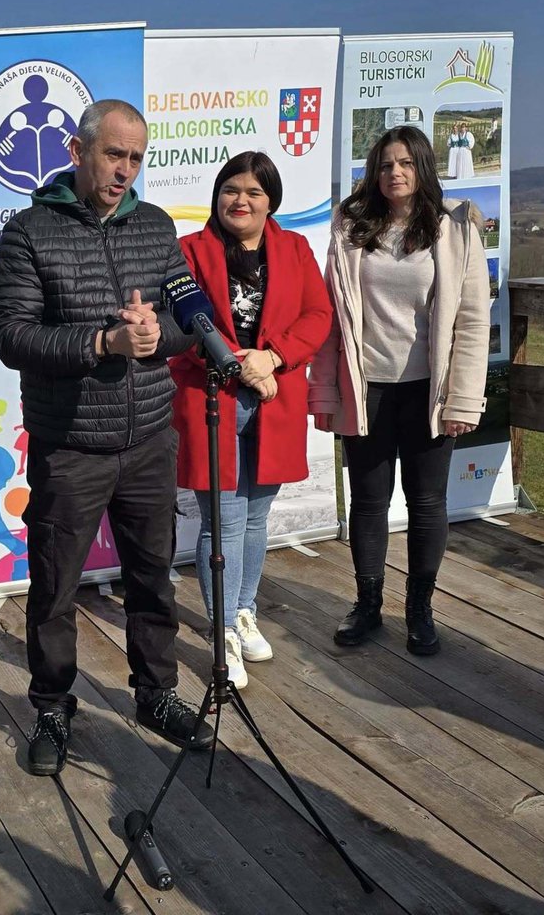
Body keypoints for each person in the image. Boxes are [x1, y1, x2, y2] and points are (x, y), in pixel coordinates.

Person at [0, 99, 213, 777]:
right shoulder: (29, 231)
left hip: (149, 438)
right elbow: (13, 336)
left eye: (137, 158)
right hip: (71, 445)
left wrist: (154, 337)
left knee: (153, 578)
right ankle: (53, 706)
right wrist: (101, 341)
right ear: (76, 150)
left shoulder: (154, 226)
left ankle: (157, 695)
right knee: (55, 589)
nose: (126, 170)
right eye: (114, 155)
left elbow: (186, 313)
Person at [309, 126, 489, 656]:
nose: (395, 173)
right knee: (368, 502)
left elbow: (474, 321)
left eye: (406, 163)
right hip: (366, 389)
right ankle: (367, 606)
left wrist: (462, 399)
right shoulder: (350, 226)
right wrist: (324, 395)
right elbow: (329, 318)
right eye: (386, 164)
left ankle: (420, 611)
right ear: (374, 171)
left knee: (428, 502)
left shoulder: (454, 228)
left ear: (423, 167)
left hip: (428, 391)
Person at [169, 153, 331, 688]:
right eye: (231, 190)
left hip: (274, 401)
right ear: (217, 196)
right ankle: (222, 637)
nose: (241, 200)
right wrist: (238, 365)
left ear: (271, 202)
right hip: (213, 399)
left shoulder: (295, 248)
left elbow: (317, 316)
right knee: (224, 522)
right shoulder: (188, 251)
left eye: (254, 192)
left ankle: (243, 611)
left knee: (257, 519)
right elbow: (183, 326)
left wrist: (274, 358)